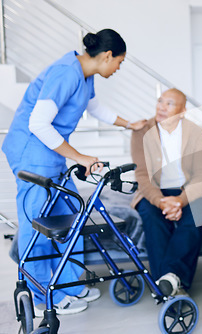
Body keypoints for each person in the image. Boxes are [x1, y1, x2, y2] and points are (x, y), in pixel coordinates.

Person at [2, 28, 147, 316]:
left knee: (69, 220)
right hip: (31, 155)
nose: (119, 68)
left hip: (51, 157)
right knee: (39, 227)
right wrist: (79, 157)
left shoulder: (84, 75)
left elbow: (94, 108)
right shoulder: (65, 73)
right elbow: (38, 124)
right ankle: (45, 298)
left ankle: (68, 286)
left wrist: (129, 124)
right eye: (119, 61)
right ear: (107, 56)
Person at [130, 88, 202, 296]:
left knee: (194, 215)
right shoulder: (141, 131)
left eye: (169, 104)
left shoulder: (196, 132)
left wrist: (181, 201)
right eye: (160, 101)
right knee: (152, 216)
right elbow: (142, 175)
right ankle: (173, 283)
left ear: (182, 111)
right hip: (154, 191)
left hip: (187, 190)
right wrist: (161, 201)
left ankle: (164, 283)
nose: (161, 107)